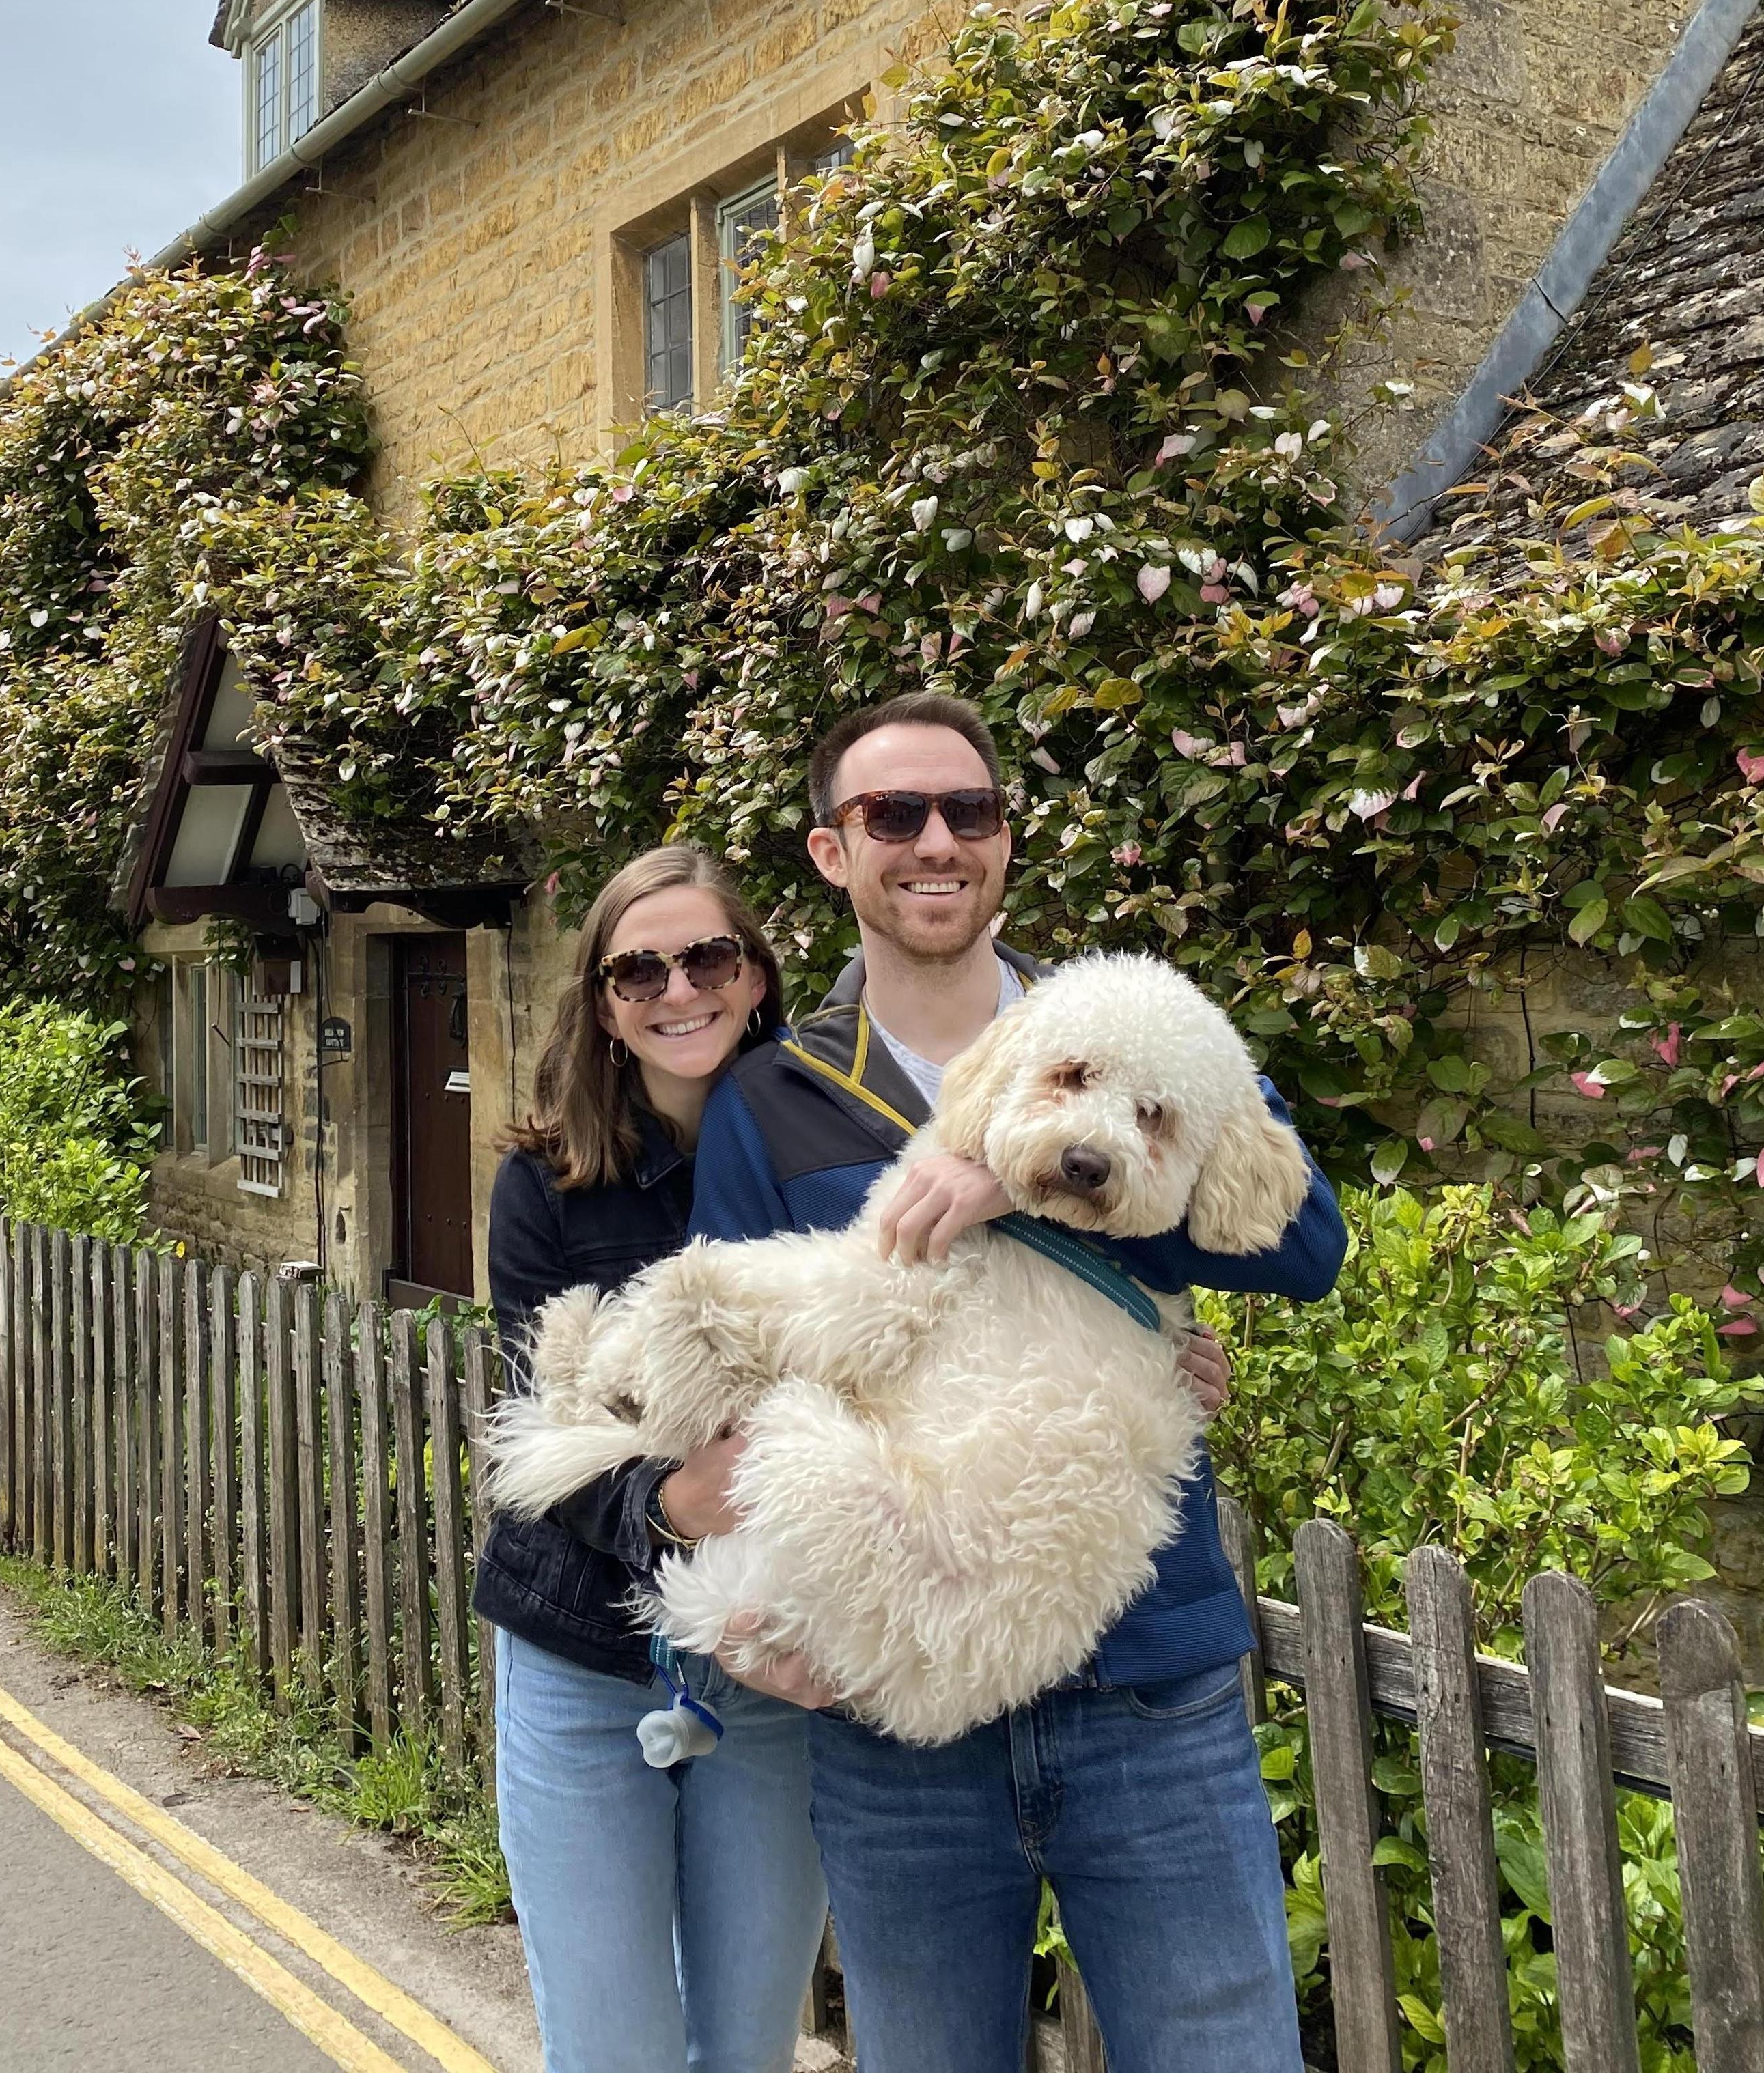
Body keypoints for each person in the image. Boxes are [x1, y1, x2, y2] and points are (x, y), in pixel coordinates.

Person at [686, 691, 1347, 2073]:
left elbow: (1306, 1244)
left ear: (1004, 840)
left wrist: (1030, 1183)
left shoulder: (1132, 1025)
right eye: (894, 815)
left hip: (1148, 1692)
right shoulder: (776, 1097)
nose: (938, 842)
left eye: (969, 811)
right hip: (902, 1717)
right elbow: (739, 1378)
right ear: (833, 853)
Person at [471, 844, 829, 2073]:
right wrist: (674, 1503)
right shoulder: (545, 1184)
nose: (680, 989)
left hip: (769, 1662)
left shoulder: (831, 1160)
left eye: (709, 956)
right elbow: (550, 1434)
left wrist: (1162, 1348)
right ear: (605, 1005)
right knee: (613, 2046)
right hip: (583, 1654)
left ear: (759, 976)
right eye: (641, 970)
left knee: (748, 2046)